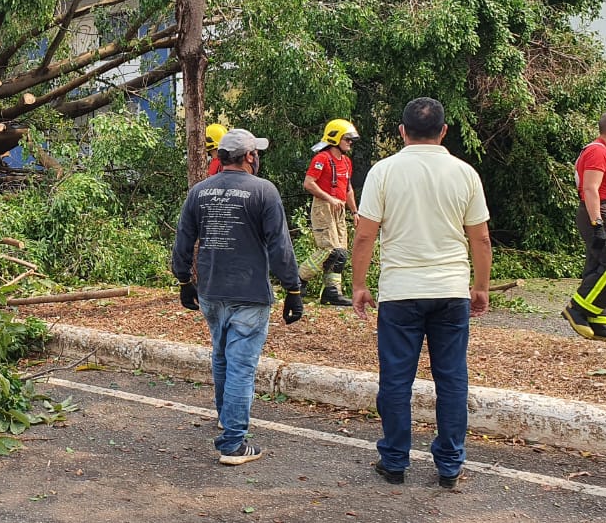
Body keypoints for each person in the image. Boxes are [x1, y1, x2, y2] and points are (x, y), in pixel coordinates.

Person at [351, 97, 491, 489]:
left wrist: (359, 285)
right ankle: (449, 465)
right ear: (444, 131)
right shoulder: (465, 173)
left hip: (400, 292)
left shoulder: (383, 171)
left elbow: (365, 234)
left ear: (402, 131)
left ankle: (394, 461)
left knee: (396, 380)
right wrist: (479, 287)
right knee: (451, 379)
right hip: (450, 290)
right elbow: (480, 238)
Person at [171, 128, 304, 466]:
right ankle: (233, 443)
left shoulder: (198, 192)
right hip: (250, 293)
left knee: (222, 356)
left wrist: (185, 281)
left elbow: (183, 241)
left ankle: (225, 416)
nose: (257, 157)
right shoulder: (264, 192)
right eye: (255, 153)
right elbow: (279, 246)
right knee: (242, 365)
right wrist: (293, 289)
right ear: (248, 157)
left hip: (212, 291)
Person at [561, 111, 606, 343]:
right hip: (597, 211)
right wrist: (597, 223)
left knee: (600, 266)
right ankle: (577, 308)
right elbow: (591, 189)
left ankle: (599, 320)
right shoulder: (597, 151)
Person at [298, 119, 360, 306]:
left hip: (339, 208)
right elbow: (309, 183)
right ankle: (297, 280)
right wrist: (329, 198)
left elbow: (348, 189)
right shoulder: (321, 159)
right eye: (347, 139)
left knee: (340, 253)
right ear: (335, 138)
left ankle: (332, 293)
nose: (350, 143)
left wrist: (355, 212)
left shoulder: (347, 162)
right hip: (323, 207)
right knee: (328, 249)